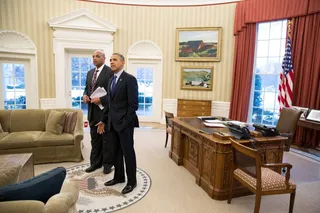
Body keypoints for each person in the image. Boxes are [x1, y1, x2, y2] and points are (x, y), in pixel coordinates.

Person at [96, 53, 139, 194]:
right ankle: (119, 177)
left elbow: (133, 105)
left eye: (115, 60)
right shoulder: (110, 80)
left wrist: (126, 121)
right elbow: (109, 104)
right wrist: (103, 120)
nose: (112, 62)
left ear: (123, 62)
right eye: (110, 60)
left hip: (125, 123)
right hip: (112, 123)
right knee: (115, 152)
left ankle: (132, 181)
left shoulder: (130, 79)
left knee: (128, 153)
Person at [83, 50, 113, 174]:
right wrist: (84, 95)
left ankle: (107, 164)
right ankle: (95, 163)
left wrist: (101, 99)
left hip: (105, 112)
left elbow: (113, 93)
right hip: (92, 112)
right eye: (93, 56)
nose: (94, 58)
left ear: (104, 58)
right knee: (94, 139)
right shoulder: (90, 73)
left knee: (106, 140)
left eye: (97, 56)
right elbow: (86, 88)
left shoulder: (110, 72)